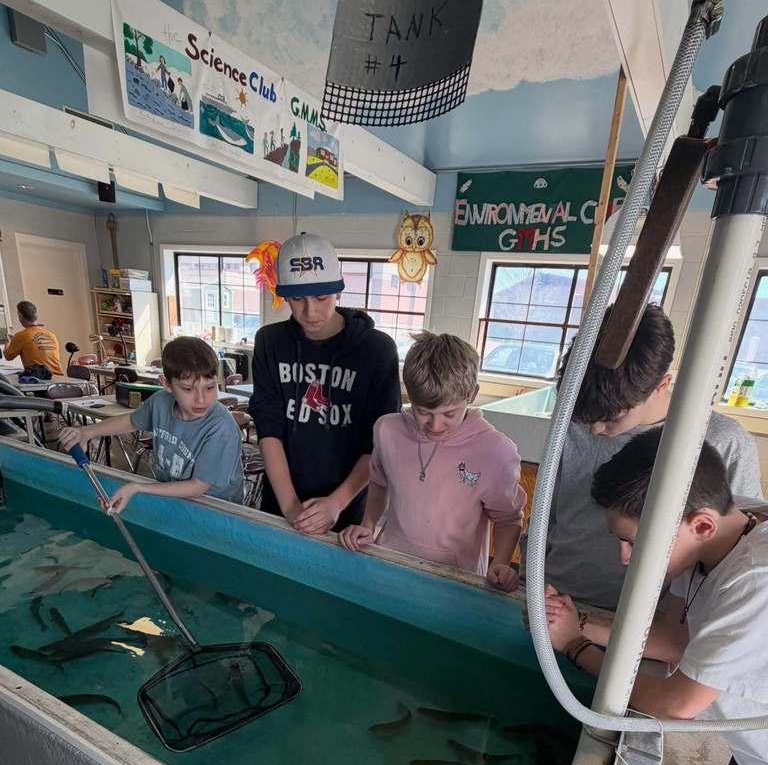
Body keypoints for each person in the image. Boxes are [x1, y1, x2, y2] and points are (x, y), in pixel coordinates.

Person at [545, 427, 768, 765]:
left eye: (634, 542)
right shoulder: (719, 535)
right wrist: (581, 622)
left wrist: (576, 646)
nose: (626, 558)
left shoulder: (754, 581)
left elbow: (677, 703)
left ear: (701, 523)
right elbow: (675, 637)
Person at [539, 305, 761, 611]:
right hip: (554, 598)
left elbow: (732, 549)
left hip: (646, 626)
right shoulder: (574, 419)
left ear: (661, 386)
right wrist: (530, 576)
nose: (595, 429)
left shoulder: (722, 442)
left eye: (612, 418)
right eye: (586, 417)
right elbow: (545, 514)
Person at [340, 332, 526, 590]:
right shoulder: (387, 430)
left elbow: (508, 517)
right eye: (423, 412)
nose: (436, 425)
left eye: (449, 413)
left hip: (455, 582)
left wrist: (502, 562)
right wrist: (368, 526)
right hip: (390, 564)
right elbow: (379, 482)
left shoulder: (496, 451)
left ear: (472, 395)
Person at [249, 232, 400, 536]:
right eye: (297, 299)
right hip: (281, 500)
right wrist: (291, 507)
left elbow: (379, 442)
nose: (310, 311)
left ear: (338, 291)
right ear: (284, 296)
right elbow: (269, 429)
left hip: (347, 506)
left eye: (321, 298)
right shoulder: (270, 342)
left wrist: (336, 503)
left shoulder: (376, 350)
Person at [60, 336, 243, 511]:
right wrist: (87, 432)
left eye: (210, 387)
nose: (201, 399)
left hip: (217, 510)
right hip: (175, 498)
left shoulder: (221, 427)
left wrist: (139, 487)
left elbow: (198, 487)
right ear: (166, 384)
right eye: (188, 389)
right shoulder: (160, 402)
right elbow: (131, 421)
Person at [2, 300, 63, 375]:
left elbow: (8, 356)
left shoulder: (21, 336)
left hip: (40, 380)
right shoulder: (51, 334)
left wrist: (8, 342)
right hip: (59, 379)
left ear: (20, 316)